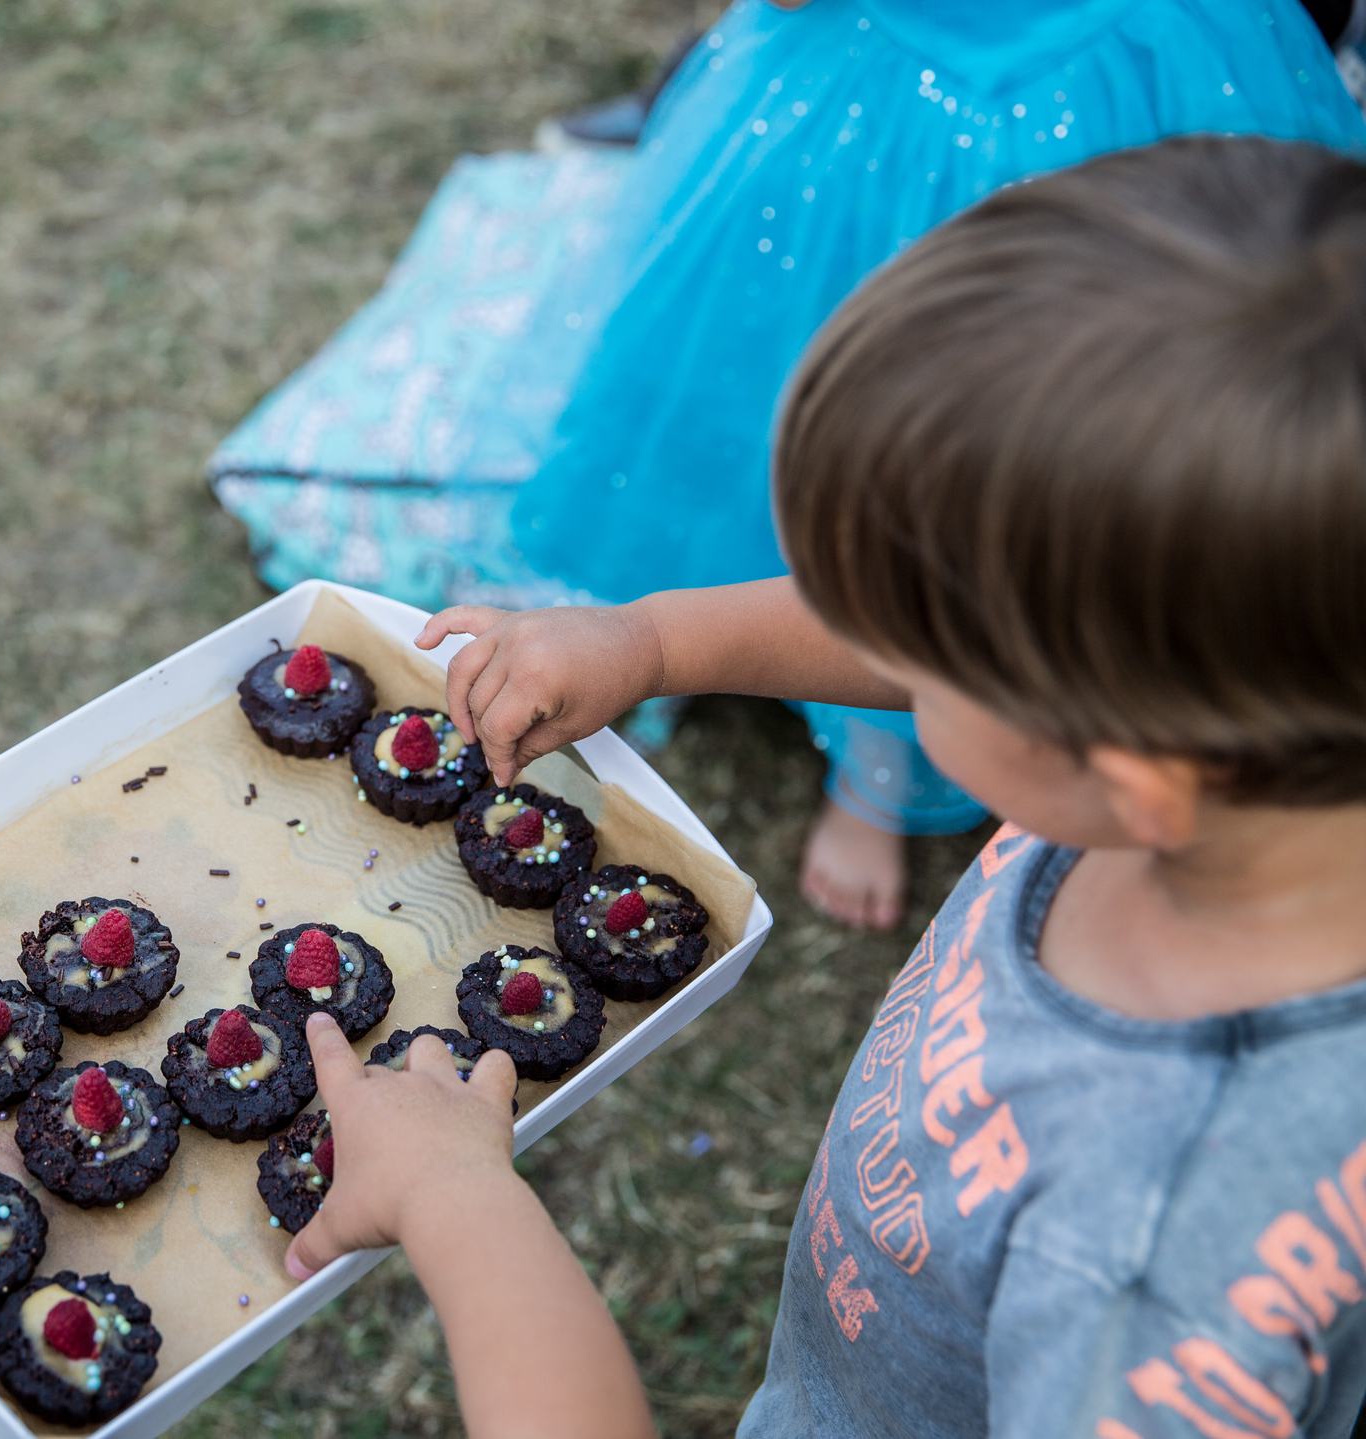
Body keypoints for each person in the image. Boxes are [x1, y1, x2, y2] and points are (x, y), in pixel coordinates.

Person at [281, 135, 1366, 1436]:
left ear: (1125, 763)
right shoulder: (1260, 732)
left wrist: (456, 1196)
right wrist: (661, 641)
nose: (868, 628)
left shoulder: (1148, 1273)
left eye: (913, 626)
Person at [211, 0, 1366, 934]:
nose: (898, 622)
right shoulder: (1119, 629)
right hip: (878, 98)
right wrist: (652, 641)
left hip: (1107, 87)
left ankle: (871, 788)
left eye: (936, 625)